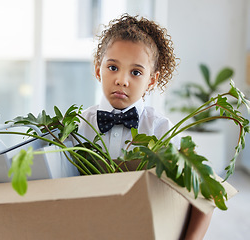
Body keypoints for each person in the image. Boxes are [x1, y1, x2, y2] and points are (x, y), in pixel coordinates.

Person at [77, 14, 212, 240]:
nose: (122, 80)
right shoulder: (78, 126)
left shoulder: (162, 130)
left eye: (136, 72)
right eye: (112, 67)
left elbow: (204, 195)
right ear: (98, 69)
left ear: (151, 80)